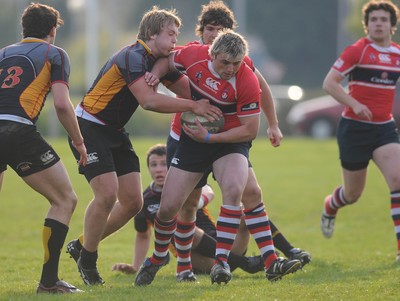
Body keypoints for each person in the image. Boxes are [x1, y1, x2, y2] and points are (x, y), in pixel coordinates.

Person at [65, 6, 221, 286]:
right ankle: (88, 259)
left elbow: (189, 89)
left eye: (176, 35)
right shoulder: (132, 56)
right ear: (151, 34)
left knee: (133, 202)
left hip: (114, 131)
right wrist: (193, 106)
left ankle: (81, 246)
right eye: (170, 34)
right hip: (88, 126)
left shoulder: (159, 61)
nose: (176, 40)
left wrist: (219, 94)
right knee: (107, 195)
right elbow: (149, 101)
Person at [156, 0, 311, 280]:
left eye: (222, 29)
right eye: (211, 29)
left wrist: (273, 124)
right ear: (202, 32)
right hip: (185, 136)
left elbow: (261, 91)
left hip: (226, 138)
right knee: (185, 204)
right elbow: (161, 60)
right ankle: (183, 268)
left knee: (248, 193)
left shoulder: (242, 64)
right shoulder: (192, 53)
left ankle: (269, 259)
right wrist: (149, 79)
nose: (215, 35)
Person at [0, 3, 87, 294]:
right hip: (18, 130)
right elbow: (62, 104)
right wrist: (78, 141)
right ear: (53, 30)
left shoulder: (2, 53)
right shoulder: (55, 53)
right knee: (65, 199)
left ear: (24, 29)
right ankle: (49, 282)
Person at [320, 0, 400, 262]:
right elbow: (329, 83)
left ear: (392, 26)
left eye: (383, 19)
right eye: (374, 19)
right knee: (353, 194)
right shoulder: (358, 51)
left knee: (398, 180)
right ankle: (331, 205)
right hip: (354, 129)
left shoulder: (397, 55)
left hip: (384, 129)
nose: (378, 23)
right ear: (367, 26)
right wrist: (355, 103)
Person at [111, 144, 265, 277]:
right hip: (197, 260)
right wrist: (135, 266)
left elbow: (208, 192)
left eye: (164, 164)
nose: (159, 170)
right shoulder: (144, 200)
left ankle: (279, 255)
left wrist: (192, 204)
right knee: (177, 223)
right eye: (154, 165)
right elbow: (143, 236)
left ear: (173, 165)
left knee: (248, 212)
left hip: (226, 246)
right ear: (148, 168)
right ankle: (245, 263)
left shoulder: (188, 182)